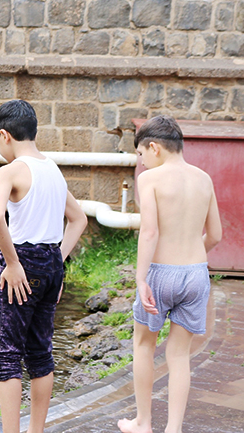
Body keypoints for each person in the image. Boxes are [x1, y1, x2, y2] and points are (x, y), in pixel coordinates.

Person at [118, 115, 222, 433]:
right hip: (195, 273)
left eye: (140, 155)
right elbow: (216, 235)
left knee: (144, 345)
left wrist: (141, 279)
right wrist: (191, 258)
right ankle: (173, 429)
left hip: (161, 274)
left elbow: (149, 232)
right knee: (179, 355)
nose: (142, 162)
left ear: (154, 148)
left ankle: (143, 422)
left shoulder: (151, 180)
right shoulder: (204, 178)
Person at [0, 99, 87, 433]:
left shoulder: (10, 171)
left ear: (4, 135)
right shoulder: (54, 170)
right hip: (50, 261)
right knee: (40, 352)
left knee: (6, 353)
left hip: (23, 260)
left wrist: (13, 264)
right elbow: (79, 219)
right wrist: (57, 262)